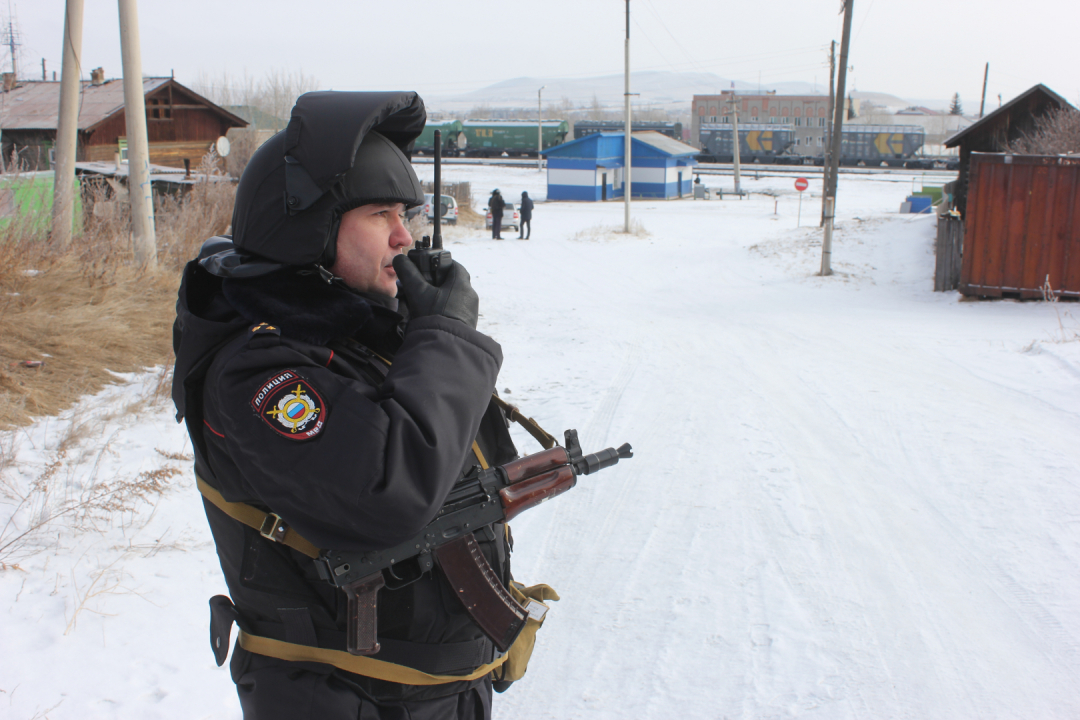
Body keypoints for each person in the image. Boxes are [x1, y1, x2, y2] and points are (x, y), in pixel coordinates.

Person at [172, 91, 524, 719]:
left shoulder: (351, 336)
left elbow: (465, 468)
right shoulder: (258, 371)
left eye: (407, 214)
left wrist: (420, 336)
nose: (403, 236)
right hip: (344, 699)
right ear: (309, 227)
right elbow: (396, 487)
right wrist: (445, 340)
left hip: (422, 696)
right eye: (380, 214)